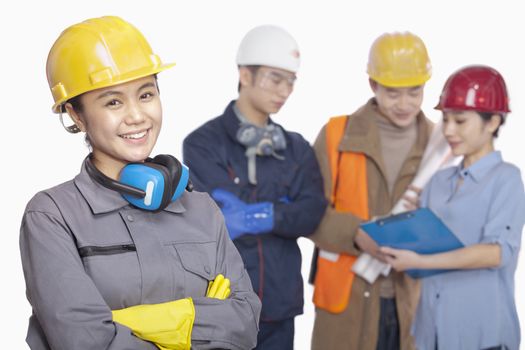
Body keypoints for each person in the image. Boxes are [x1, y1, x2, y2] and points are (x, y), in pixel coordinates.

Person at [19, 16, 260, 350]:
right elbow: (85, 341)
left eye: (146, 94)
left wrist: (134, 322)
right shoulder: (52, 217)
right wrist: (197, 319)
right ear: (76, 114)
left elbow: (244, 323)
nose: (136, 115)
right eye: (113, 102)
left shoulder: (201, 209)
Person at [183, 25, 326, 349]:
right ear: (245, 75)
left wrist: (258, 215)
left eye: (291, 81)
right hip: (222, 300)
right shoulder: (202, 144)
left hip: (279, 303)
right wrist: (281, 210)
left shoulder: (297, 147)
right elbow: (219, 216)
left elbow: (312, 212)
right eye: (276, 79)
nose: (285, 90)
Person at [381, 65, 525, 350]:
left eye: (460, 121)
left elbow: (496, 253)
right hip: (429, 332)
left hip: (481, 335)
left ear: (493, 122)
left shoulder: (506, 179)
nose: (448, 130)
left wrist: (419, 262)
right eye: (445, 120)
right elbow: (424, 243)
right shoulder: (438, 181)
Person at [308, 31, 434, 350]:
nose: (405, 104)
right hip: (347, 302)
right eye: (393, 93)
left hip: (413, 303)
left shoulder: (439, 144)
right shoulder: (337, 135)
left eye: (414, 91)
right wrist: (356, 234)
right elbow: (306, 211)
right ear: (373, 85)